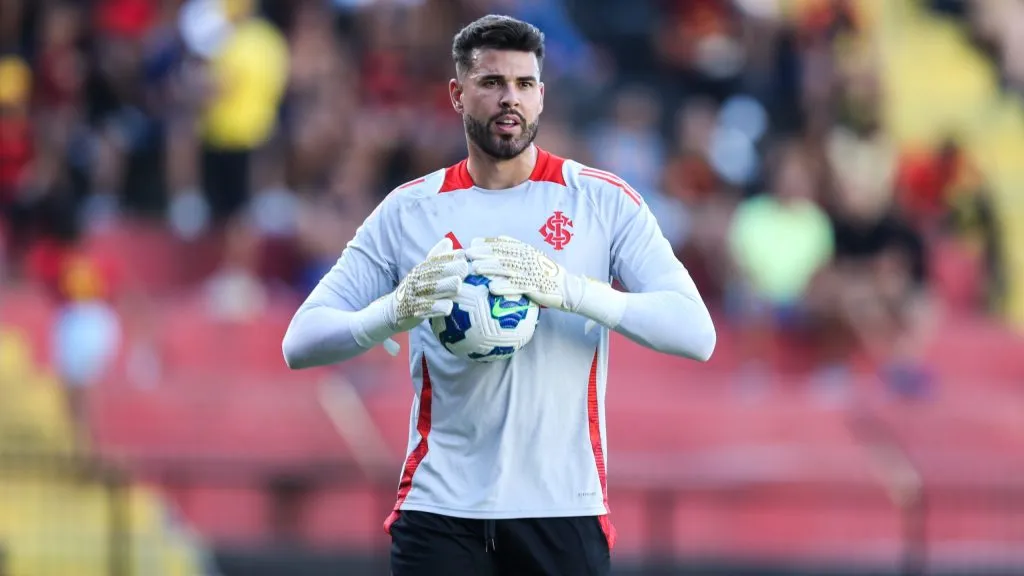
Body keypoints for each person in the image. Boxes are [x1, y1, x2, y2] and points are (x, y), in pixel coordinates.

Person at [282, 14, 716, 575]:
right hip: (439, 510)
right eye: (491, 83)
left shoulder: (602, 203)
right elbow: (300, 342)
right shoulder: (411, 210)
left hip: (563, 509)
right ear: (457, 95)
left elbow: (696, 333)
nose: (509, 98)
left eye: (524, 84)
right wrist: (391, 313)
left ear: (541, 96)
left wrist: (570, 291)